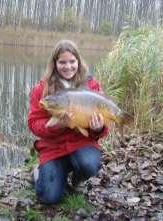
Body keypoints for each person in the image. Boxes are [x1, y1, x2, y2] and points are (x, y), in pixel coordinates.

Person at [27, 39, 109, 204]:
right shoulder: (42, 89)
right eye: (62, 62)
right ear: (54, 63)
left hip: (81, 144)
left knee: (89, 164)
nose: (68, 66)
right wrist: (57, 125)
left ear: (78, 61)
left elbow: (103, 128)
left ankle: (77, 179)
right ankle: (40, 172)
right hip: (54, 148)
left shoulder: (91, 85)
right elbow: (34, 123)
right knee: (49, 197)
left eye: (72, 61)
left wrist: (98, 128)